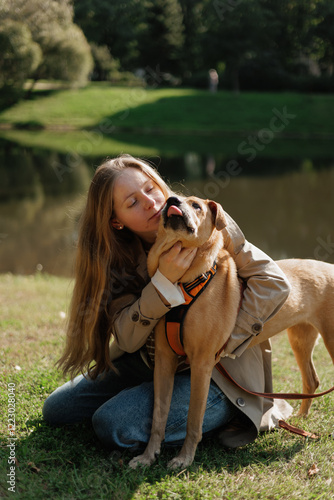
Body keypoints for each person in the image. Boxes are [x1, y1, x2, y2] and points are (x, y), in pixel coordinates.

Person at [43, 154, 292, 452]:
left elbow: (275, 283)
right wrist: (162, 284)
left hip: (218, 374)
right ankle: (153, 396)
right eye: (132, 203)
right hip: (150, 361)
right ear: (116, 221)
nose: (149, 202)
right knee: (57, 409)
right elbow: (126, 336)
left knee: (113, 425)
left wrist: (224, 340)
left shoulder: (206, 221)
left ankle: (230, 410)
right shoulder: (113, 259)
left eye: (150, 189)